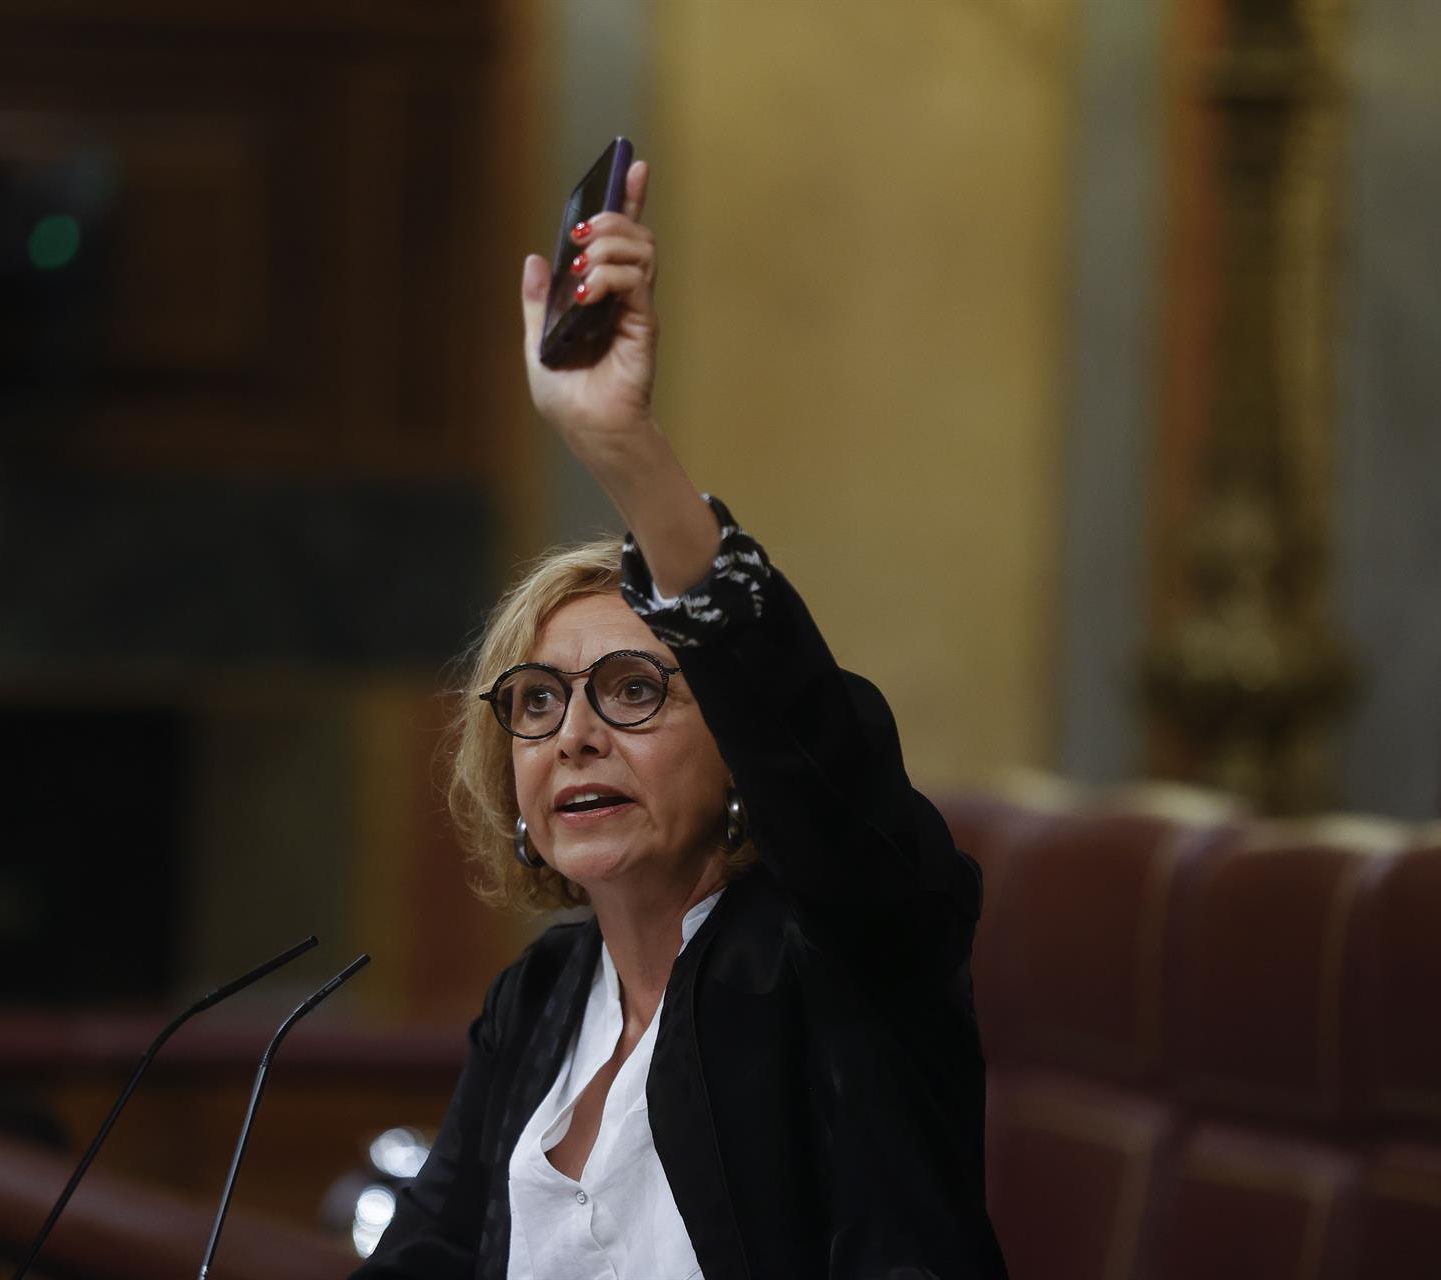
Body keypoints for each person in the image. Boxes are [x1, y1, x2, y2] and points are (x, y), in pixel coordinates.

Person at [355, 160, 1006, 1280]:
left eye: (635, 688)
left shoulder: (840, 956)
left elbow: (818, 746)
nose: (573, 735)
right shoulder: (543, 1000)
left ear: (744, 749)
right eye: (540, 701)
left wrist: (625, 450)